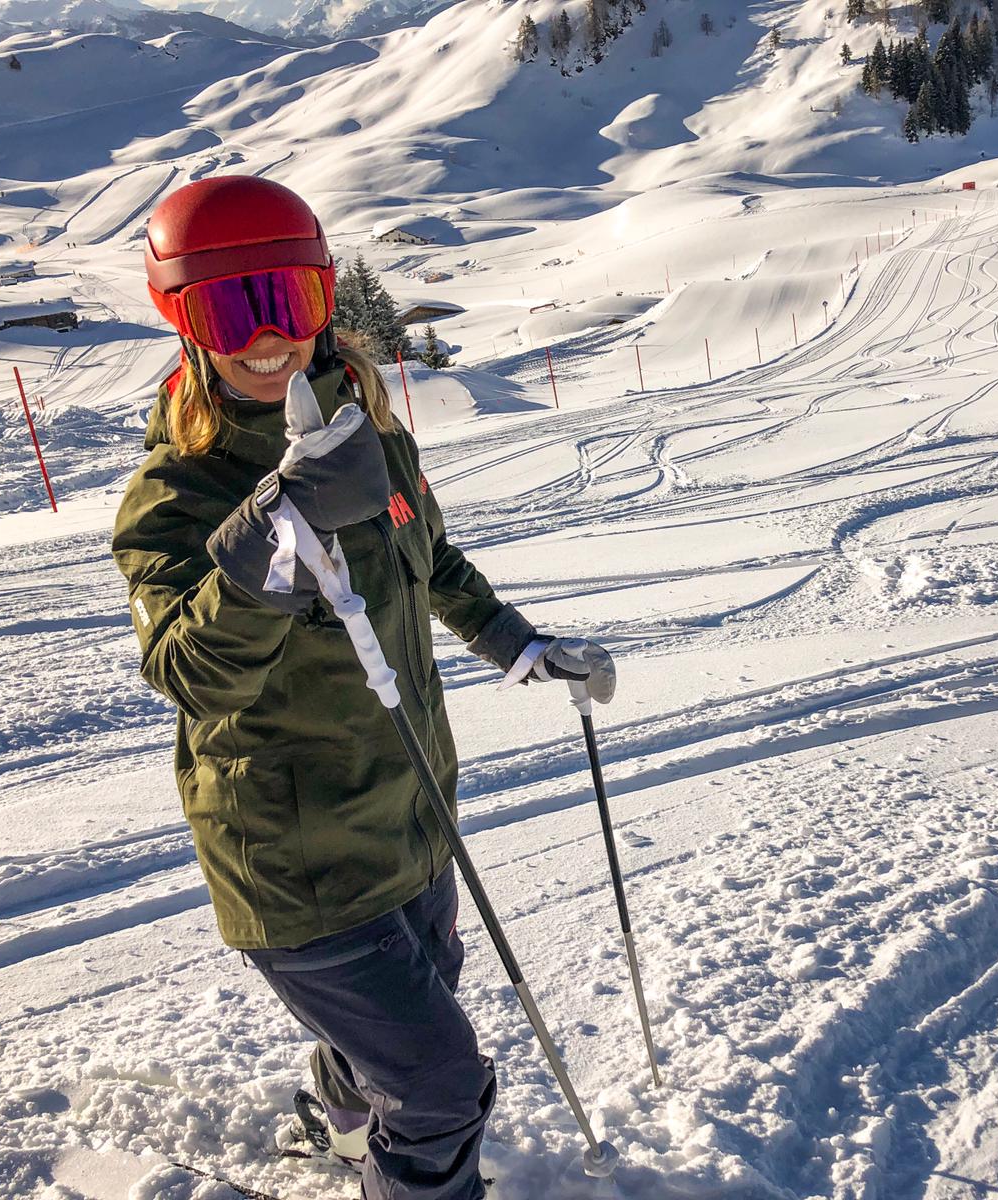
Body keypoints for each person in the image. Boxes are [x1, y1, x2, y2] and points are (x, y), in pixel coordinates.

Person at [112, 176, 616, 1200]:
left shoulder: (368, 431)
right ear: (181, 318)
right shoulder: (172, 498)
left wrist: (522, 646)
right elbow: (186, 671)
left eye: (285, 303)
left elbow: (435, 563)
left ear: (322, 297)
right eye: (226, 307)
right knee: (439, 1088)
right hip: (295, 863)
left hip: (412, 820)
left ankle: (344, 1123)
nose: (266, 338)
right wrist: (270, 535)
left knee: (402, 1039)